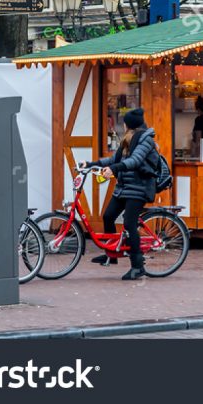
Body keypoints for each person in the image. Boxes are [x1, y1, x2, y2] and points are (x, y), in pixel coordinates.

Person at [79, 107, 158, 280]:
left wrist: (114, 169)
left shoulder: (146, 140)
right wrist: (92, 164)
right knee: (108, 216)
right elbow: (115, 159)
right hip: (124, 187)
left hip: (139, 188)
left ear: (129, 124)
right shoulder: (127, 139)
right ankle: (111, 254)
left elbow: (135, 161)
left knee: (129, 225)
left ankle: (138, 267)